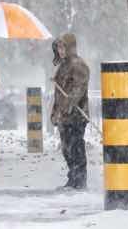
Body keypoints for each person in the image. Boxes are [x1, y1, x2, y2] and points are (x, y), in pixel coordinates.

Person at [51, 33, 90, 190]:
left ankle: (79, 180)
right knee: (67, 149)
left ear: (70, 47)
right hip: (64, 117)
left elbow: (77, 90)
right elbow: (59, 94)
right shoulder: (63, 66)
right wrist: (56, 112)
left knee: (76, 148)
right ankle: (73, 177)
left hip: (77, 116)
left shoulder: (78, 65)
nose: (60, 50)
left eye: (62, 47)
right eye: (58, 47)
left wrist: (67, 106)